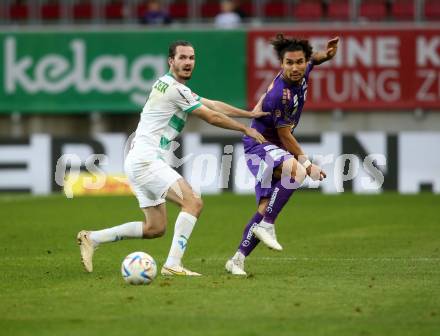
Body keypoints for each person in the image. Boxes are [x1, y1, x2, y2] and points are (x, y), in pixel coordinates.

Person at [77, 40, 266, 276]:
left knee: (154, 228)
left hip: (139, 159)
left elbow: (214, 105)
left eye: (192, 58)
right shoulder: (176, 89)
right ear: (171, 61)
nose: (188, 62)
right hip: (147, 160)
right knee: (193, 202)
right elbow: (211, 117)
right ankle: (173, 265)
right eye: (183, 58)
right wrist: (245, 129)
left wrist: (249, 114)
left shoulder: (171, 86)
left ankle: (92, 238)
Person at [225, 34, 339, 275]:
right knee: (296, 172)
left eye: (299, 62)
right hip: (260, 143)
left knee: (266, 206)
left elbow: (313, 61)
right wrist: (308, 165)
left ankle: (237, 259)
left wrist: (325, 56)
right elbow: (286, 135)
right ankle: (267, 226)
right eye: (289, 63)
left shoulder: (302, 70)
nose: (295, 67)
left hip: (274, 147)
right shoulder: (280, 94)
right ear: (281, 64)